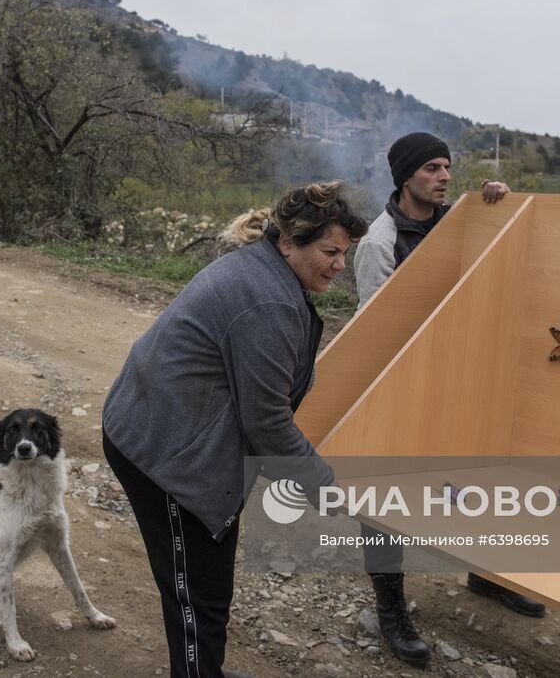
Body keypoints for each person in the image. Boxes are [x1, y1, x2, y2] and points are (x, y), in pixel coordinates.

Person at [102, 181, 368, 678]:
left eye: (344, 254)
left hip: (175, 427)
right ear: (290, 242)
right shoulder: (268, 302)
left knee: (207, 586)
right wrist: (326, 488)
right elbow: (266, 420)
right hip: (166, 454)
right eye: (330, 252)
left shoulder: (268, 271)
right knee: (195, 595)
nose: (339, 265)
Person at [351, 132, 544, 668]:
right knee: (384, 494)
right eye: (433, 168)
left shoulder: (461, 220)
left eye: (447, 168)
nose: (443, 177)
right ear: (406, 175)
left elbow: (497, 260)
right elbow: (379, 332)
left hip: (463, 375)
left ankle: (485, 574)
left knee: (482, 473)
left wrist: (497, 203)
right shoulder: (379, 243)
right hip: (400, 381)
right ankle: (391, 609)